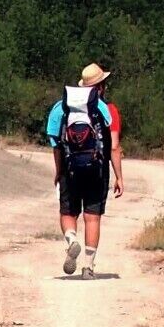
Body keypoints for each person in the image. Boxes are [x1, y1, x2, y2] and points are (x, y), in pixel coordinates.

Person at [45, 64, 123, 277]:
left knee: (68, 212)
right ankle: (88, 267)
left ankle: (71, 239)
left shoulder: (60, 108)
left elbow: (56, 144)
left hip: (70, 169)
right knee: (92, 217)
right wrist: (119, 177)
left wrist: (59, 171)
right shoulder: (103, 108)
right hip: (96, 170)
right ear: (101, 86)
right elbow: (114, 146)